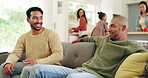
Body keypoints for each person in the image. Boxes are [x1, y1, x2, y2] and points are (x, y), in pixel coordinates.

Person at [20, 16, 148, 78]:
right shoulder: (105, 39)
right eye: (109, 26)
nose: (108, 29)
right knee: (32, 69)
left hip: (97, 76)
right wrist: (81, 39)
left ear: (123, 28)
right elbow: (92, 38)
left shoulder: (131, 46)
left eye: (112, 26)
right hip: (79, 70)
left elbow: (144, 56)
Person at [0, 7, 63, 78]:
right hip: (32, 65)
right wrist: (9, 63)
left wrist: (38, 62)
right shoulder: (24, 37)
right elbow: (16, 53)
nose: (39, 21)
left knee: (29, 69)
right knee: (3, 67)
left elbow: (59, 55)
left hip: (50, 66)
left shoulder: (51, 34)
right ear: (28, 20)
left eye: (41, 18)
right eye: (35, 18)